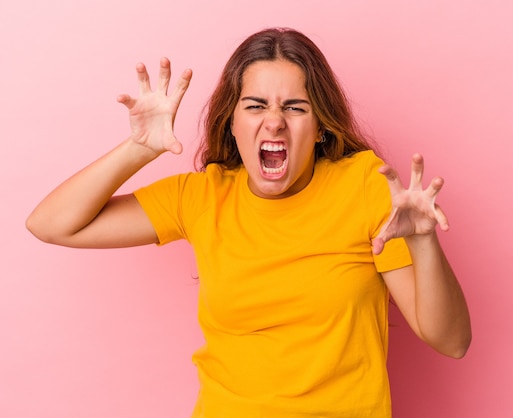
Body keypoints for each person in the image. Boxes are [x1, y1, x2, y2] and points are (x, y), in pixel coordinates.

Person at [26, 28, 471, 417]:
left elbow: (451, 341)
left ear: (319, 128)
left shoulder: (366, 186)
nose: (274, 122)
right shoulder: (202, 196)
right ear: (233, 122)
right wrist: (139, 149)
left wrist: (424, 241)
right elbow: (51, 224)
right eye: (256, 106)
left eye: (296, 108)